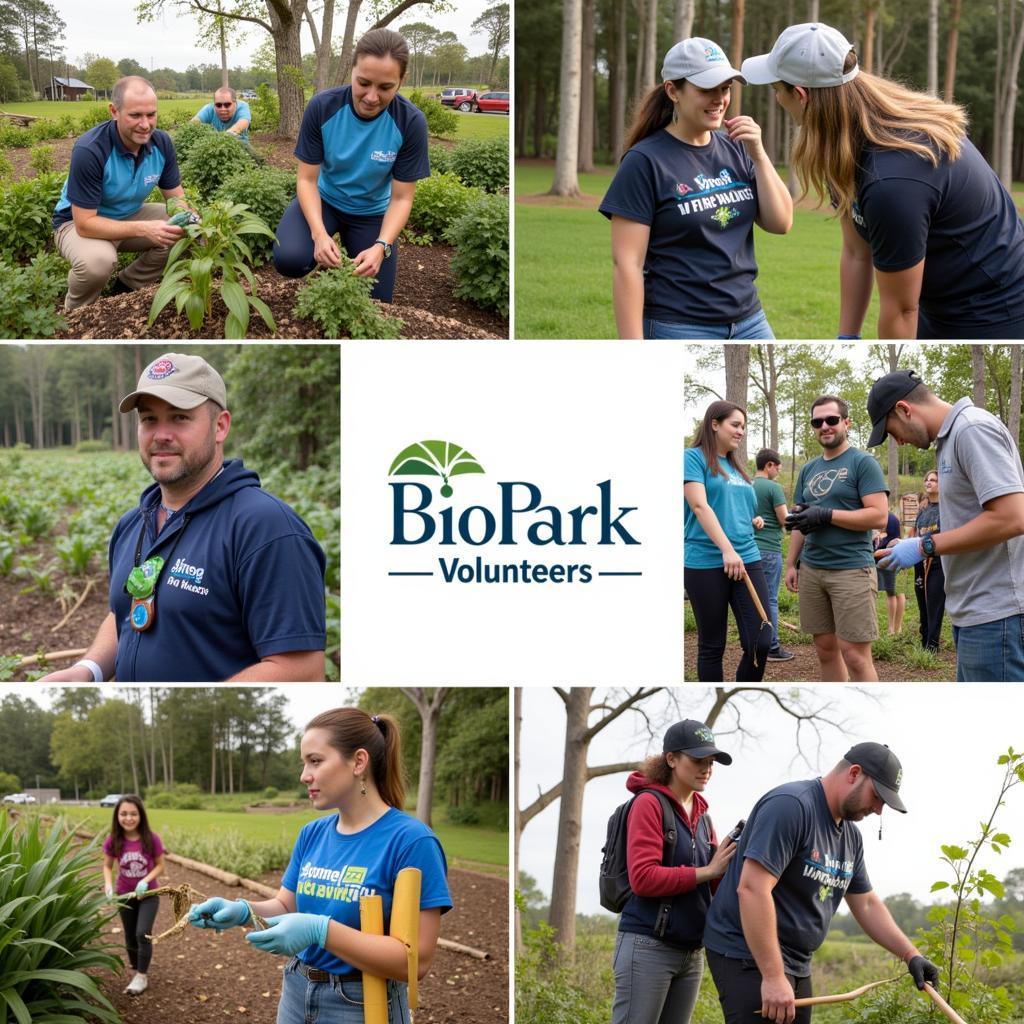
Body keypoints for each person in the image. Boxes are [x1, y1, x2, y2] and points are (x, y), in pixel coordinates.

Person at [39, 352, 327, 683]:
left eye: (179, 418)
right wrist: (88, 670)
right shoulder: (132, 524)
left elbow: (302, 671)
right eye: (149, 419)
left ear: (220, 426)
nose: (160, 434)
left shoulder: (266, 529)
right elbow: (125, 614)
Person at [741, 23, 1024, 339]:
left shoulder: (893, 177)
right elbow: (856, 252)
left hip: (997, 315)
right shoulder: (847, 146)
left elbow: (902, 310)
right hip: (942, 305)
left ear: (801, 95)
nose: (777, 99)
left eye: (776, 90)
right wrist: (847, 339)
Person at [187, 707, 452, 1024]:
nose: (304, 775)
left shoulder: (412, 842)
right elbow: (287, 905)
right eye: (304, 763)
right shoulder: (312, 833)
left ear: (358, 762)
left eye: (315, 761)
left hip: (363, 1005)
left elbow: (415, 962)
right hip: (297, 991)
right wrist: (243, 911)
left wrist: (320, 930)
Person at [703, 742, 940, 1024]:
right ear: (854, 773)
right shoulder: (791, 807)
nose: (878, 810)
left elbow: (865, 903)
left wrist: (911, 955)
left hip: (796, 961)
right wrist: (773, 976)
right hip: (746, 953)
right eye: (877, 796)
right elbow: (752, 889)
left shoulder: (851, 837)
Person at [599, 37, 792, 339]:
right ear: (672, 91)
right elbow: (627, 264)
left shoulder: (737, 147)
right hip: (678, 325)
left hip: (749, 320)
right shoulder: (644, 161)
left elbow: (780, 223)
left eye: (725, 88)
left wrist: (759, 154)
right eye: (706, 89)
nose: (719, 99)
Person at [868, 369, 1024, 680]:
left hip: (998, 614)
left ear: (904, 409)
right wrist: (915, 542)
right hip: (973, 612)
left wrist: (926, 546)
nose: (897, 441)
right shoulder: (949, 442)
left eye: (891, 430)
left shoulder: (972, 429)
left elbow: (1013, 517)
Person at [273, 28, 429, 302]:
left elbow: (402, 198)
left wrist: (381, 246)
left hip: (372, 212)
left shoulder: (410, 122)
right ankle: (324, 251)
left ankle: (362, 249)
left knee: (377, 301)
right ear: (351, 71)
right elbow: (307, 180)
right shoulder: (323, 107)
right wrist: (319, 234)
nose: (371, 97)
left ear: (401, 81)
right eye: (364, 82)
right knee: (290, 259)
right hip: (326, 201)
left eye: (385, 87)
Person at [612, 720, 738, 1024]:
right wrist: (707, 871)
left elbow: (716, 882)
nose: (706, 768)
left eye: (710, 762)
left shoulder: (702, 814)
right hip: (647, 946)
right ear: (671, 759)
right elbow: (642, 878)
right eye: (698, 760)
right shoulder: (648, 804)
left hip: (691, 953)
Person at [53, 76, 188, 310]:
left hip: (128, 214)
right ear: (114, 111)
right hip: (77, 224)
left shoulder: (162, 143)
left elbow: (177, 200)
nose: (145, 125)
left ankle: (126, 285)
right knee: (98, 262)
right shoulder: (91, 149)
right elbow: (84, 223)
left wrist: (196, 222)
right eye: (135, 115)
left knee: (180, 229)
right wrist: (144, 228)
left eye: (151, 115)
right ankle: (76, 313)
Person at [783, 395, 888, 682]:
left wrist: (827, 515)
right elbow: (799, 522)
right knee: (825, 649)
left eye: (831, 420)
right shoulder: (808, 469)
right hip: (813, 570)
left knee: (854, 655)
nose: (825, 426)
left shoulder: (863, 462)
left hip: (851, 569)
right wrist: (791, 563)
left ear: (846, 422)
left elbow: (878, 516)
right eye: (818, 422)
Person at [684, 401, 773, 681]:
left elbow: (733, 510)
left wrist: (752, 521)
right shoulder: (693, 458)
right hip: (706, 561)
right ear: (714, 424)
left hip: (746, 557)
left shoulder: (738, 468)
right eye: (735, 425)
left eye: (743, 427)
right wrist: (726, 549)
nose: (741, 431)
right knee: (712, 646)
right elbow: (700, 506)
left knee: (761, 639)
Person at [102, 795, 165, 996]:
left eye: (133, 814)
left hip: (149, 894)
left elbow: (161, 865)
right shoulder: (114, 839)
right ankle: (136, 966)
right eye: (124, 814)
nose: (128, 818)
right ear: (117, 816)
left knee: (142, 933)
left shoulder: (151, 838)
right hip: (125, 895)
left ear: (140, 815)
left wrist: (145, 880)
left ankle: (141, 976)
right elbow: (107, 865)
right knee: (130, 936)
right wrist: (108, 885)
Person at [752, 449, 794, 661]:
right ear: (769, 465)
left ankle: (754, 644)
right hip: (769, 549)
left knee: (753, 600)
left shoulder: (747, 485)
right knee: (770, 599)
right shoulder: (773, 488)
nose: (779, 470)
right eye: (777, 466)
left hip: (749, 550)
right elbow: (784, 520)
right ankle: (772, 647)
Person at [910, 470, 945, 652]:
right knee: (921, 601)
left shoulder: (947, 507)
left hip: (939, 562)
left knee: (934, 602)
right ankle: (924, 639)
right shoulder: (922, 509)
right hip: (919, 560)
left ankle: (932, 646)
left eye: (934, 480)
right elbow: (916, 533)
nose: (929, 482)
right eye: (927, 480)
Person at [872, 508, 904, 635]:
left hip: (889, 567)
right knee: (897, 594)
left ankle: (893, 628)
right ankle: (896, 627)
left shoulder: (892, 541)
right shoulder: (885, 537)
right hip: (889, 566)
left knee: (893, 594)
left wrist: (876, 552)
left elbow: (881, 552)